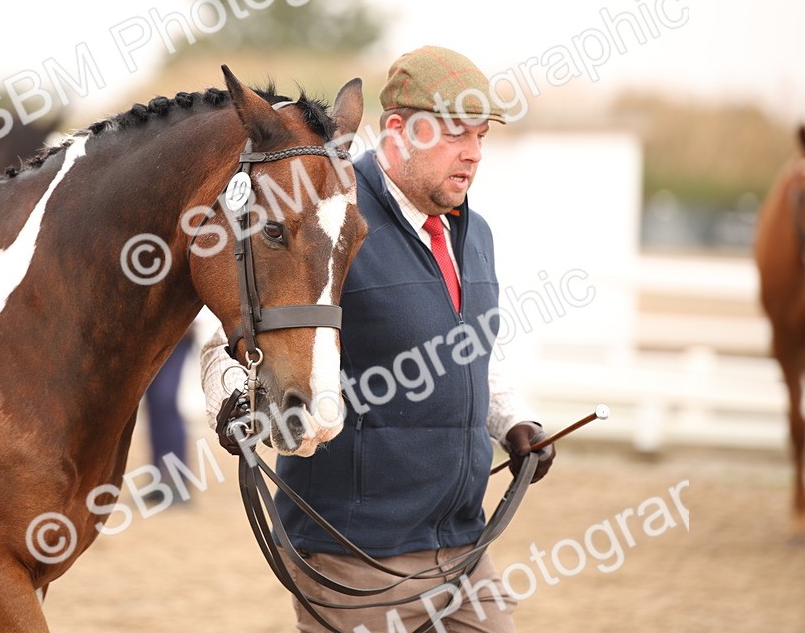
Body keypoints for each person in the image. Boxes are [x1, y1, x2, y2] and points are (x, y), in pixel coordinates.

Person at [200, 45, 555, 631]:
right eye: (454, 134)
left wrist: (513, 421)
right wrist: (234, 403)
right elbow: (227, 342)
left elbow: (470, 351)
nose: (472, 154)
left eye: (481, 137)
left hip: (466, 548)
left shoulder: (475, 231)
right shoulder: (328, 210)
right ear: (397, 131)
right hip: (356, 562)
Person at [145, 330, 195, 503]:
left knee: (164, 400)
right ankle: (159, 478)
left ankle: (178, 480)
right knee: (154, 407)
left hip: (176, 334)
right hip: (146, 336)